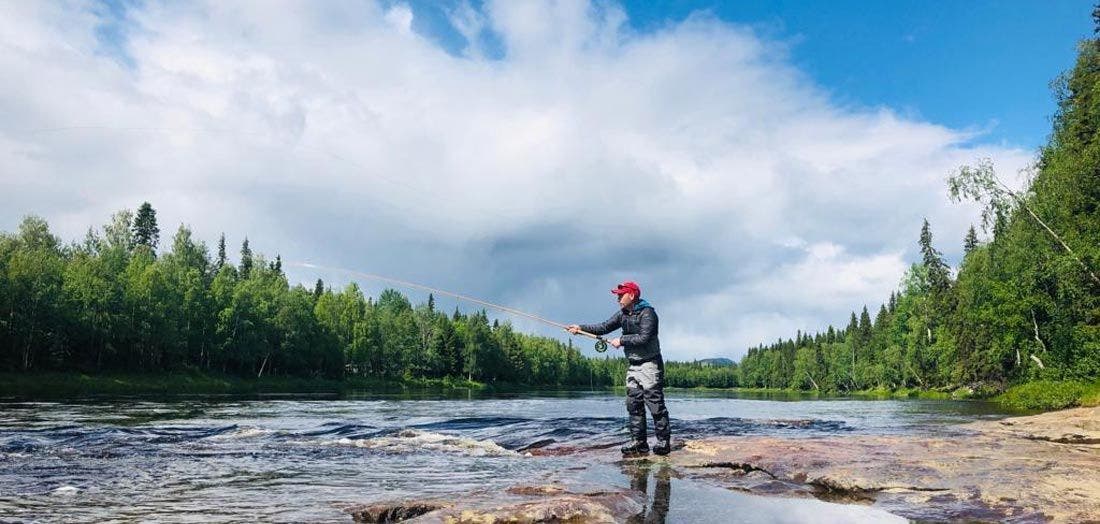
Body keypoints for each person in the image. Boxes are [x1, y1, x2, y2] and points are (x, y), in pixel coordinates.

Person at [569, 281, 671, 456]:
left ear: (631, 295)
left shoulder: (648, 314)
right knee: (633, 405)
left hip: (650, 365)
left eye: (620, 295)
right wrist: (580, 328)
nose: (617, 298)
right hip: (633, 366)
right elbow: (603, 327)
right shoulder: (622, 314)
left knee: (655, 405)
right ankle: (639, 443)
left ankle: (663, 442)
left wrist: (622, 341)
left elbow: (644, 338)